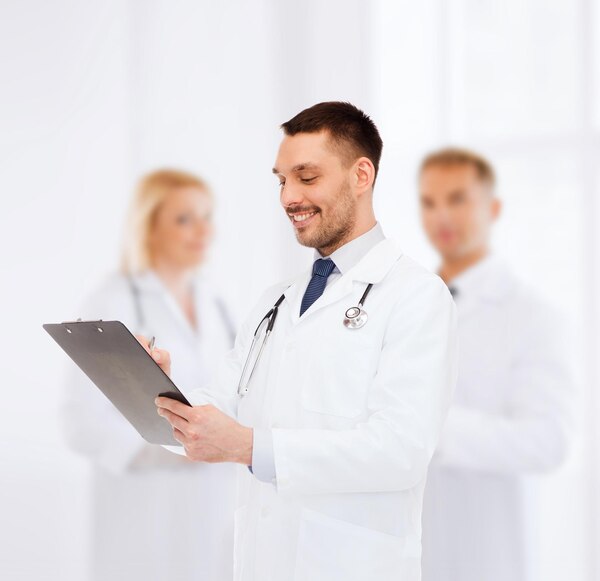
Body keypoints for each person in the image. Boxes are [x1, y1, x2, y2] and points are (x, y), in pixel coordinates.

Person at [143, 102, 458, 581]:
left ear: (361, 175)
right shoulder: (277, 302)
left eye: (306, 178)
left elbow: (401, 452)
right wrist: (159, 391)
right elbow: (221, 408)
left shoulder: (415, 296)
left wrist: (252, 449)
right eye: (281, 180)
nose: (289, 197)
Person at [61, 169, 237, 581]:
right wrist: (158, 451)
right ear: (149, 226)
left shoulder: (216, 303)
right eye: (184, 219)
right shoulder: (113, 298)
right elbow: (78, 421)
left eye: (207, 216)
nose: (203, 230)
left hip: (211, 502)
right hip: (141, 504)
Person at [417, 148, 575, 581]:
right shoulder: (407, 305)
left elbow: (549, 440)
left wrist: (431, 430)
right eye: (429, 203)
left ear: (494, 208)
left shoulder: (532, 315)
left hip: (487, 554)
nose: (442, 217)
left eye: (457, 199)